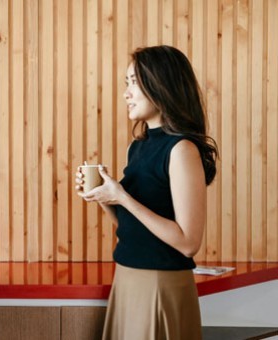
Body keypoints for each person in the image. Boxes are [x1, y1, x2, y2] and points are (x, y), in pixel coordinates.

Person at [76, 45, 218, 340]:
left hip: (161, 286)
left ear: (161, 85)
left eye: (134, 83)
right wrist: (105, 196)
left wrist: (123, 197)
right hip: (127, 278)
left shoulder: (181, 150)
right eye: (126, 83)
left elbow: (188, 243)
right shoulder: (137, 147)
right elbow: (136, 227)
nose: (126, 93)